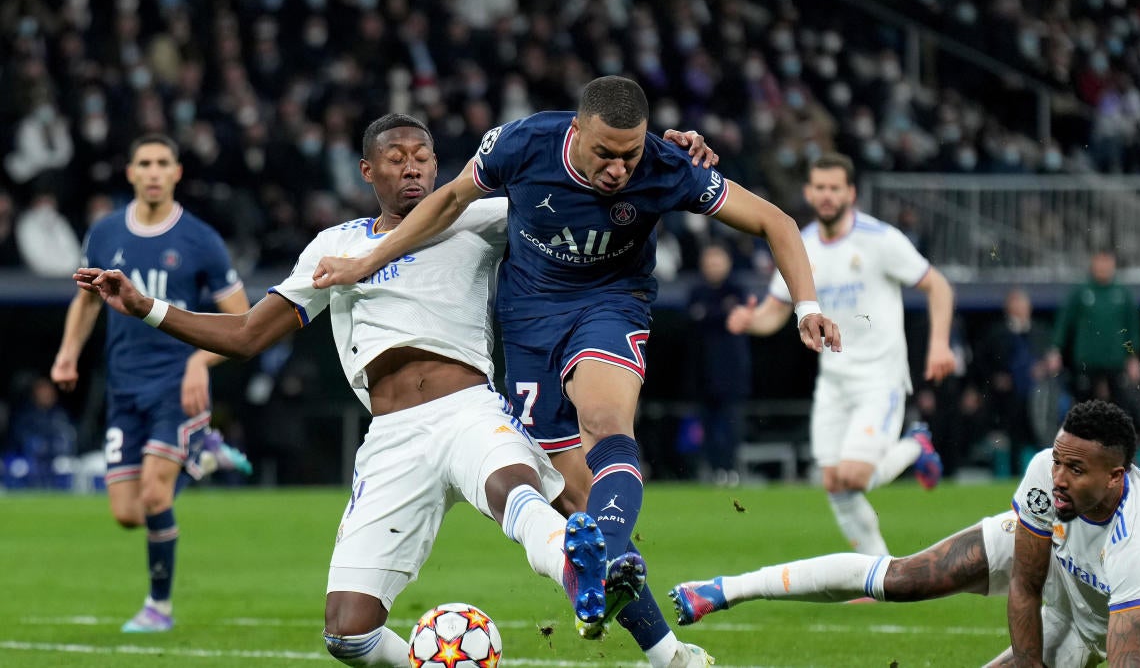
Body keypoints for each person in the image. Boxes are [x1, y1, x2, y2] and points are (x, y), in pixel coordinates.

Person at [74, 113, 715, 666]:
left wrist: (668, 151)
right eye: (395, 159)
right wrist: (146, 307)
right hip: (392, 439)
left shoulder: (478, 215)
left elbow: (587, 184)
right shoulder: (336, 246)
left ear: (438, 166)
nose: (412, 169)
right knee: (346, 634)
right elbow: (245, 333)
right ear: (367, 171)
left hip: (469, 408)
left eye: (423, 158)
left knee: (517, 493)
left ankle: (617, 607)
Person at [310, 76, 840, 668]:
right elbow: (454, 197)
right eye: (605, 154)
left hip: (610, 304)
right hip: (529, 325)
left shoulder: (668, 164)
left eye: (630, 155)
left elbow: (778, 222)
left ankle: (617, 574)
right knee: (579, 504)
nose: (618, 170)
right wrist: (373, 257)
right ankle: (663, 646)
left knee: (605, 419)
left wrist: (807, 306)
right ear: (577, 130)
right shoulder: (522, 144)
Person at [670, 400, 1140, 668]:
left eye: (1076, 469)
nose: (1058, 478)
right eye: (1057, 460)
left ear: (1116, 476)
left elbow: (1128, 656)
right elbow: (1026, 585)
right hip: (1051, 553)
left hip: (1092, 623)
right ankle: (728, 589)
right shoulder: (1045, 475)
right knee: (903, 578)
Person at [50, 133, 253, 632]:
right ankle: (201, 454)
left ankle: (158, 609)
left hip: (175, 387)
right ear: (131, 172)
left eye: (164, 162)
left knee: (156, 498)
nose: (155, 170)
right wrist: (67, 354)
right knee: (127, 512)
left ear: (177, 172)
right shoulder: (103, 233)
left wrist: (198, 364)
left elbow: (242, 318)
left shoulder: (200, 239)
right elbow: (86, 301)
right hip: (125, 388)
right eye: (146, 162)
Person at [725, 152, 954, 556]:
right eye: (820, 188)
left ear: (850, 192)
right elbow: (776, 312)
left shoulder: (880, 239)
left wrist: (938, 344)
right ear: (809, 192)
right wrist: (749, 320)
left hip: (878, 379)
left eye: (835, 188)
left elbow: (938, 286)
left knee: (853, 475)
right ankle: (877, 570)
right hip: (833, 381)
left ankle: (917, 445)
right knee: (832, 482)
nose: (827, 196)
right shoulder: (801, 245)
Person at [686, 243, 752, 485]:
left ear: (728, 262)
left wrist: (709, 314)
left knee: (732, 425)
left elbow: (732, 317)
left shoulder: (738, 290)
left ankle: (731, 469)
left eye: (718, 260)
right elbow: (694, 318)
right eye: (710, 261)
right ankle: (714, 470)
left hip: (732, 372)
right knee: (708, 426)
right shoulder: (696, 291)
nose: (714, 266)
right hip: (703, 372)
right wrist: (720, 313)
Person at [1045, 250, 1140, 407]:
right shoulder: (1080, 292)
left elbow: (1131, 328)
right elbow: (1064, 323)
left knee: (1120, 405)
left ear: (1113, 265)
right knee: (1083, 405)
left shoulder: (1123, 293)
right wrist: (1056, 349)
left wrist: (1133, 357)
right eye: (1099, 262)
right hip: (1086, 360)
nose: (1102, 267)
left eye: (1106, 262)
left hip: (1115, 361)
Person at [974, 287, 1054, 477]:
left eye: (1023, 303)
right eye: (1015, 303)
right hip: (1007, 399)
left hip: (1037, 397)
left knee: (1040, 439)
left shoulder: (1041, 332)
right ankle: (1010, 478)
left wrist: (1045, 367)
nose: (1019, 308)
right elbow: (982, 362)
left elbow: (1052, 359)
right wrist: (996, 378)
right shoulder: (996, 333)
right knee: (1009, 441)